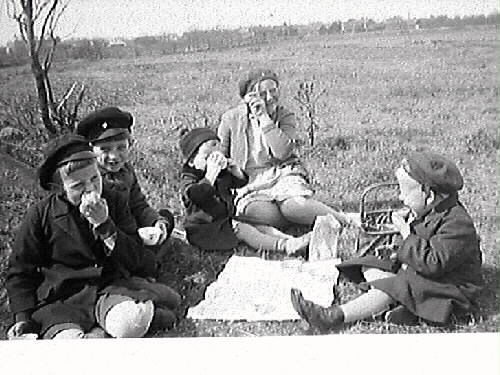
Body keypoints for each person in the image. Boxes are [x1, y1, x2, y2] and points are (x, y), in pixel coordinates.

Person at [6, 135, 181, 339]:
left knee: (130, 323)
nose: (90, 189)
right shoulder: (40, 215)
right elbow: (20, 269)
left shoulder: (114, 199)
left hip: (110, 287)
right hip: (64, 299)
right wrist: (23, 317)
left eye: (94, 179)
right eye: (78, 186)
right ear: (59, 189)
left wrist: (105, 225)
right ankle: (100, 334)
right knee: (67, 344)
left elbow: (138, 260)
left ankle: (114, 327)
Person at [290, 151, 484, 332]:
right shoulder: (432, 210)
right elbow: (424, 245)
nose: (400, 197)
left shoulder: (458, 224)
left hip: (451, 287)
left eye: (405, 192)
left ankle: (332, 317)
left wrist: (407, 233)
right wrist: (397, 247)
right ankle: (401, 305)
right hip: (426, 271)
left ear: (428, 194)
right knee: (368, 265)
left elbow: (432, 263)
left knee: (396, 285)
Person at [217, 68, 359, 230]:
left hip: (282, 172)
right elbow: (220, 154)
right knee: (260, 213)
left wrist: (264, 118)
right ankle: (303, 217)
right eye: (262, 94)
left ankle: (344, 220)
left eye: (273, 91)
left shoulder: (285, 115)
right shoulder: (231, 118)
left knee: (294, 206)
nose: (270, 98)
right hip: (249, 181)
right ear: (247, 98)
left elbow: (283, 152)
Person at [180, 127, 311, 254]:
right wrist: (210, 176)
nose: (213, 162)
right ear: (192, 161)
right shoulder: (190, 179)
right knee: (244, 230)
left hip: (224, 221)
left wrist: (236, 171)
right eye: (207, 157)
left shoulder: (221, 174)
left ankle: (291, 240)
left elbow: (238, 183)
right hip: (204, 231)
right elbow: (197, 195)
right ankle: (284, 246)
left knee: (259, 227)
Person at [75, 107, 175, 258]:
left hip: (133, 230)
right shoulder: (91, 180)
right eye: (105, 149)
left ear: (130, 144)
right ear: (91, 149)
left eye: (121, 147)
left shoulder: (126, 171)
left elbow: (138, 205)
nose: (114, 156)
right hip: (109, 238)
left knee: (166, 217)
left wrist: (156, 222)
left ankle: (149, 252)